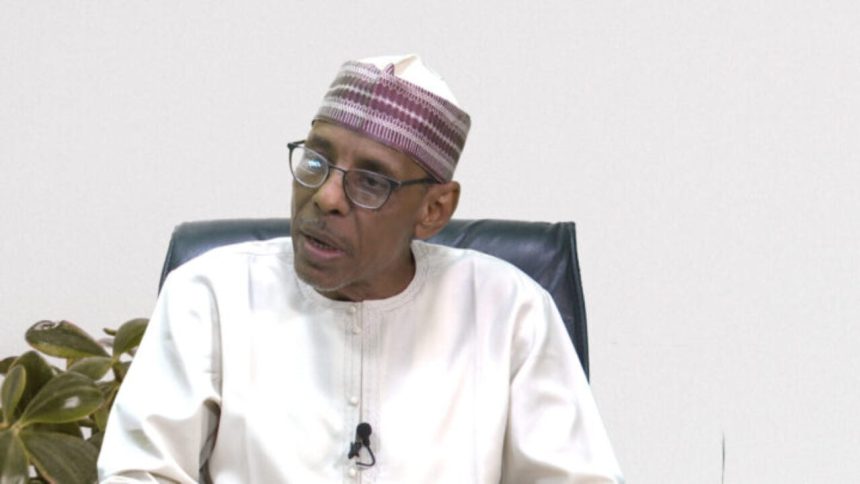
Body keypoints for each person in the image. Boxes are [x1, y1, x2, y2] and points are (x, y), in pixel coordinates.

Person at [97, 54, 624, 483]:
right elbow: (139, 472)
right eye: (315, 162)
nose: (326, 197)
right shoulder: (210, 295)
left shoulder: (508, 311)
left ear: (434, 209)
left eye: (371, 181)